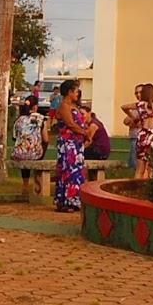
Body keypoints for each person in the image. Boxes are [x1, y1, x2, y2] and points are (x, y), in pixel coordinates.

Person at [51, 81, 91, 212]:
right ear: (69, 92)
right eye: (75, 91)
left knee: (76, 171)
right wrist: (84, 132)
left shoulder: (73, 105)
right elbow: (70, 123)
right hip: (68, 144)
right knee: (68, 170)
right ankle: (66, 201)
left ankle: (74, 200)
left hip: (77, 144)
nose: (77, 93)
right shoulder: (64, 105)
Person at [11, 95, 47, 197]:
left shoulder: (18, 120)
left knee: (24, 150)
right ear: (35, 107)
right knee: (40, 147)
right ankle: (38, 180)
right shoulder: (41, 118)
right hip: (35, 154)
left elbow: (14, 137)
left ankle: (25, 185)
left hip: (20, 154)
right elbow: (46, 139)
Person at [133, 83, 153, 179]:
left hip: (143, 136)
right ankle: (150, 190)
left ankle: (136, 191)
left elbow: (124, 107)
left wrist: (134, 117)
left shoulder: (141, 105)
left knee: (139, 169)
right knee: (152, 169)